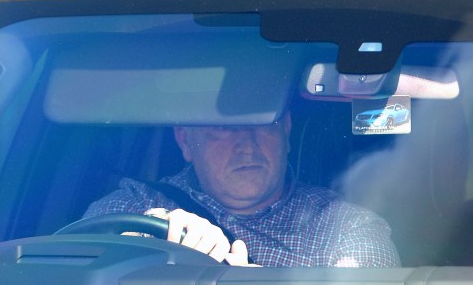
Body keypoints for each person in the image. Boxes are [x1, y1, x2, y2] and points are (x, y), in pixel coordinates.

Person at [84, 112, 400, 267]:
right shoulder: (140, 202)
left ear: (286, 130)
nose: (246, 145)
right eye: (224, 126)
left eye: (262, 122)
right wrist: (151, 241)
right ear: (184, 140)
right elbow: (81, 261)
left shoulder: (345, 228)